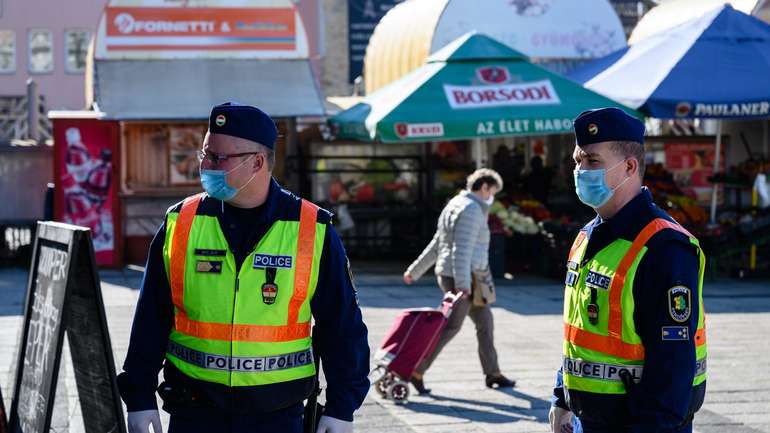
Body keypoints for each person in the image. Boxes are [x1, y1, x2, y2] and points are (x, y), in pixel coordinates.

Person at [117, 102, 370, 433]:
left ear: (257, 162)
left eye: (218, 157)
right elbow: (152, 314)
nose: (205, 165)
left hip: (277, 417)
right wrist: (139, 396)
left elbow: (341, 325)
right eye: (205, 154)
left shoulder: (312, 228)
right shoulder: (182, 222)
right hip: (193, 412)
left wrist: (341, 408)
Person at [549, 108, 707, 433]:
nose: (580, 170)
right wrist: (562, 397)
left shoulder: (664, 246)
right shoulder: (586, 237)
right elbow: (581, 331)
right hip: (587, 419)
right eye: (578, 160)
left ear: (630, 167)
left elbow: (672, 363)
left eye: (592, 161)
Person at [403, 169, 516, 394]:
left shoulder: (455, 203)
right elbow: (461, 250)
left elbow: (437, 243)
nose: (492, 197)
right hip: (464, 277)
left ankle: (493, 373)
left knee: (485, 322)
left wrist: (414, 271)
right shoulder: (472, 209)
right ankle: (416, 370)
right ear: (484, 187)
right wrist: (463, 285)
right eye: (492, 192)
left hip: (464, 276)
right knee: (450, 327)